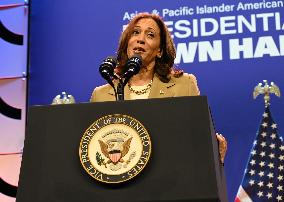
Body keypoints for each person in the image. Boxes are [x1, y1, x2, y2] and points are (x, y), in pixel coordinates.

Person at [90, 12, 227, 163]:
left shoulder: (184, 85)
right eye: (135, 32)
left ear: (160, 51)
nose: (140, 39)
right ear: (127, 43)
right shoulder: (101, 95)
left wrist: (213, 147)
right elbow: (94, 148)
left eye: (150, 35)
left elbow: (198, 137)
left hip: (171, 174)